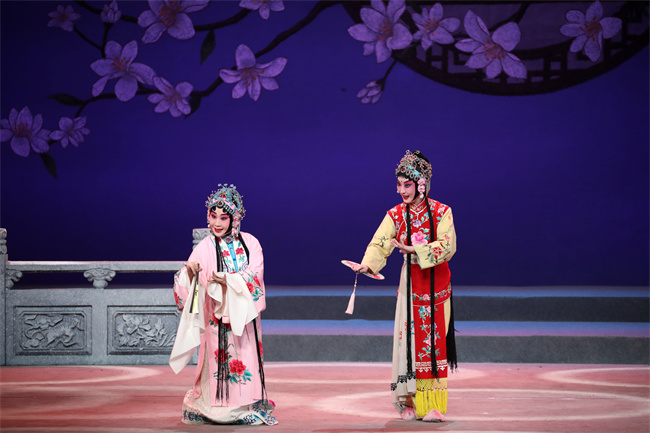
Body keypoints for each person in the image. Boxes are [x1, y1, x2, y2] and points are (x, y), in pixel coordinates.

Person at [351, 150, 458, 422]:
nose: (401, 191)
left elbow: (448, 246)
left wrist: (416, 249)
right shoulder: (396, 214)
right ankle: (408, 401)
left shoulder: (442, 212)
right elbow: (380, 242)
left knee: (432, 344)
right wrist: (368, 265)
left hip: (436, 287)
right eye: (398, 185)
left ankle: (431, 403)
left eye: (407, 185)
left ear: (422, 184)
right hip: (410, 287)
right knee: (408, 343)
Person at [169, 184, 277, 426]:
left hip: (245, 318)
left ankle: (247, 404)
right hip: (216, 320)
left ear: (235, 218)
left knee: (246, 356)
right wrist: (190, 273)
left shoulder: (250, 243)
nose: (217, 223)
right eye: (213, 216)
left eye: (223, 218)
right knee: (219, 360)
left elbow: (256, 275)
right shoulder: (205, 247)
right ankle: (216, 407)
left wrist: (229, 280)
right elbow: (187, 279)